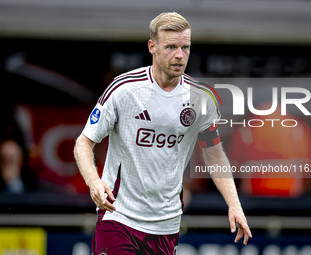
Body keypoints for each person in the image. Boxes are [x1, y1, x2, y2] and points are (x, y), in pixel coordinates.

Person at [74, 12, 252, 255]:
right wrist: (94, 181)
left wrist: (234, 205)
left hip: (166, 225)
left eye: (185, 47)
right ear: (152, 47)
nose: (180, 55)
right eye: (171, 47)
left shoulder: (201, 99)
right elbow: (83, 143)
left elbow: (215, 156)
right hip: (118, 217)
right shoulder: (124, 89)